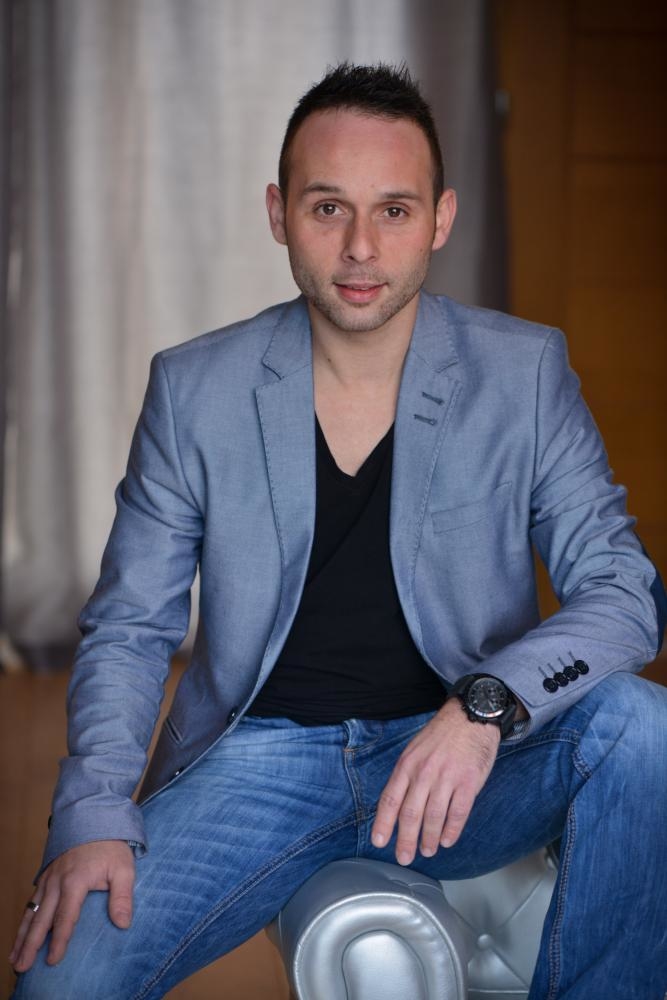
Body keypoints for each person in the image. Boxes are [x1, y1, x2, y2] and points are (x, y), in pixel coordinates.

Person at [10, 62, 667, 1000]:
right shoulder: (194, 388)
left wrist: (483, 708)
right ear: (279, 213)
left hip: (459, 762)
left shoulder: (522, 371)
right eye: (328, 209)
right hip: (259, 765)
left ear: (439, 219)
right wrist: (94, 814)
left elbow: (622, 592)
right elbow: (129, 626)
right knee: (59, 982)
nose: (361, 247)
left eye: (393, 211)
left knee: (642, 727)